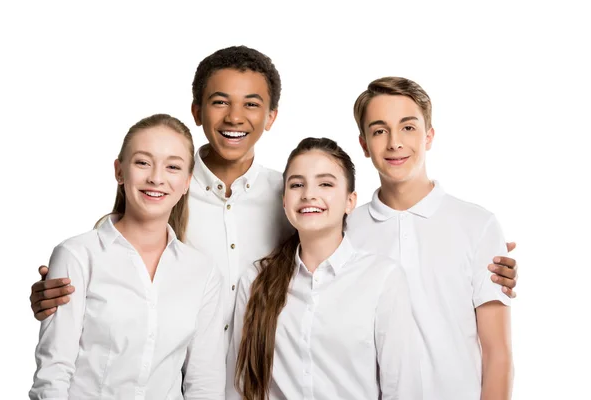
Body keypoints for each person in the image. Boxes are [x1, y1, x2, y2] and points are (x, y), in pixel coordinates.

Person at [28, 46, 518, 346]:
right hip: (167, 376)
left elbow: (357, 264)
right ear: (197, 110)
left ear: (272, 117)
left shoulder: (291, 197)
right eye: (220, 102)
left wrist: (476, 259)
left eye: (252, 104)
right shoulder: (165, 186)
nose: (235, 117)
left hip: (263, 378)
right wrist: (60, 291)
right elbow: (108, 266)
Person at [29, 114, 225, 399]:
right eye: (143, 162)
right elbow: (53, 374)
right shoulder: (77, 256)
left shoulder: (202, 272)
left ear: (186, 182)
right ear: (120, 171)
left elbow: (204, 382)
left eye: (172, 167)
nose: (156, 178)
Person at [348, 77, 514, 399]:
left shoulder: (478, 226)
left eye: (408, 127)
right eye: (380, 130)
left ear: (429, 136)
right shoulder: (346, 231)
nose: (395, 142)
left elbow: (498, 356)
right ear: (364, 144)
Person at [231, 137, 421, 399]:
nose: (309, 194)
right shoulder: (255, 280)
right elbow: (238, 385)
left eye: (325, 184)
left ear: (350, 201)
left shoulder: (382, 278)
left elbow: (403, 389)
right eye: (297, 184)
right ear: (285, 201)